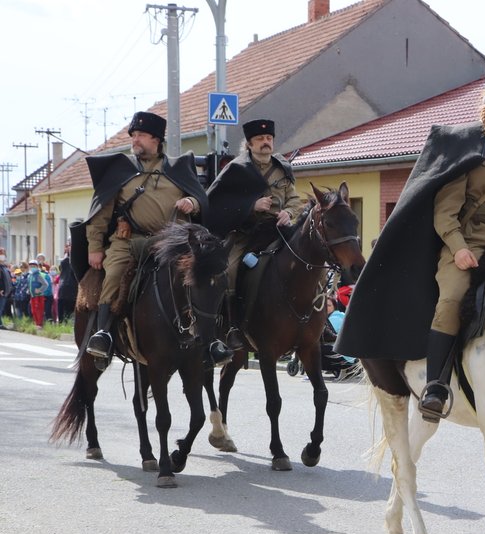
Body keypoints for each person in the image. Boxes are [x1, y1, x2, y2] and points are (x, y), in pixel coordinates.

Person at [335, 58, 485, 423]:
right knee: (452, 299)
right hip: (471, 243)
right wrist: (457, 248)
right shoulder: (466, 145)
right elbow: (445, 211)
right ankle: (437, 386)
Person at [81, 111, 230, 364]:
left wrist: (191, 202)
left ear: (156, 140)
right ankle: (104, 333)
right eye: (133, 135)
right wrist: (95, 247)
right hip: (129, 241)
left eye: (141, 135)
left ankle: (214, 338)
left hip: (174, 242)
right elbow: (101, 212)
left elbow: (201, 199)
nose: (135, 140)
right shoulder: (121, 169)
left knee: (208, 275)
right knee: (114, 273)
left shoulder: (179, 168)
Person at [204, 118, 302, 350]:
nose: (265, 143)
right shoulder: (236, 169)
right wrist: (251, 207)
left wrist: (288, 212)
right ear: (249, 144)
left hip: (279, 231)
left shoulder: (282, 167)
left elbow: (294, 199)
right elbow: (218, 203)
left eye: (268, 139)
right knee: (230, 270)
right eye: (260, 139)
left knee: (307, 259)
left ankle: (317, 322)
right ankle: (233, 327)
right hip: (247, 233)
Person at [57, 241, 78, 323]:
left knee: (69, 312)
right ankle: (61, 325)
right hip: (63, 290)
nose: (69, 248)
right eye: (68, 246)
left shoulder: (77, 259)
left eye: (70, 246)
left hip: (73, 290)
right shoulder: (64, 261)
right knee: (61, 313)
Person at [26, 260, 49, 328]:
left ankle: (40, 324)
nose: (32, 267)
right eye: (31, 266)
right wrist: (28, 290)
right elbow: (29, 285)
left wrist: (39, 290)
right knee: (33, 310)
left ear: (37, 266)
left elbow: (45, 284)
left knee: (39, 310)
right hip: (32, 296)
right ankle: (36, 324)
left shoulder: (38, 275)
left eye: (34, 266)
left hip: (38, 296)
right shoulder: (30, 275)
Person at [0, 249, 13, 329]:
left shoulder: (4, 267)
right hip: (2, 291)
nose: (3, 256)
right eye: (1, 254)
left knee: (1, 308)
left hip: (6, 292)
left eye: (4, 254)